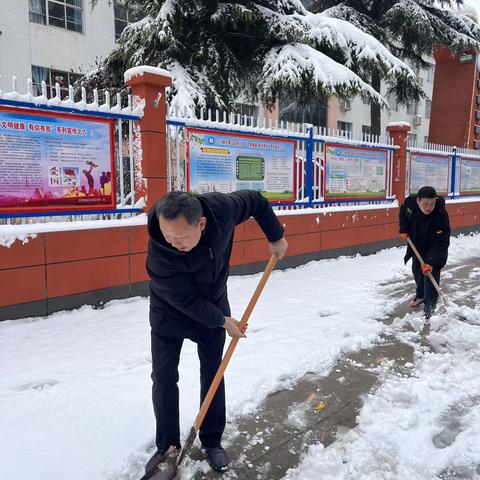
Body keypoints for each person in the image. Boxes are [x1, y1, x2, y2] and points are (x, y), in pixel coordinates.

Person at [145, 190, 288, 474]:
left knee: (213, 372)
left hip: (213, 302)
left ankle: (212, 441)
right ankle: (167, 446)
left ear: (201, 223)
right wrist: (223, 321)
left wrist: (275, 236)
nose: (172, 243)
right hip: (169, 313)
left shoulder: (222, 210)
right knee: (163, 377)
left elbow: (257, 202)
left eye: (180, 238)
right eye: (167, 235)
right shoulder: (159, 251)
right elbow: (183, 299)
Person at [399, 185, 450, 319]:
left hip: (435, 248)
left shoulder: (440, 215)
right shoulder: (410, 203)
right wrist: (403, 229)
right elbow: (403, 213)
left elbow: (442, 242)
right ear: (418, 201)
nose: (428, 208)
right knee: (417, 270)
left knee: (430, 274)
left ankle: (430, 307)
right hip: (417, 244)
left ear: (435, 200)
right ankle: (420, 296)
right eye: (425, 204)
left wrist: (431, 262)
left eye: (431, 204)